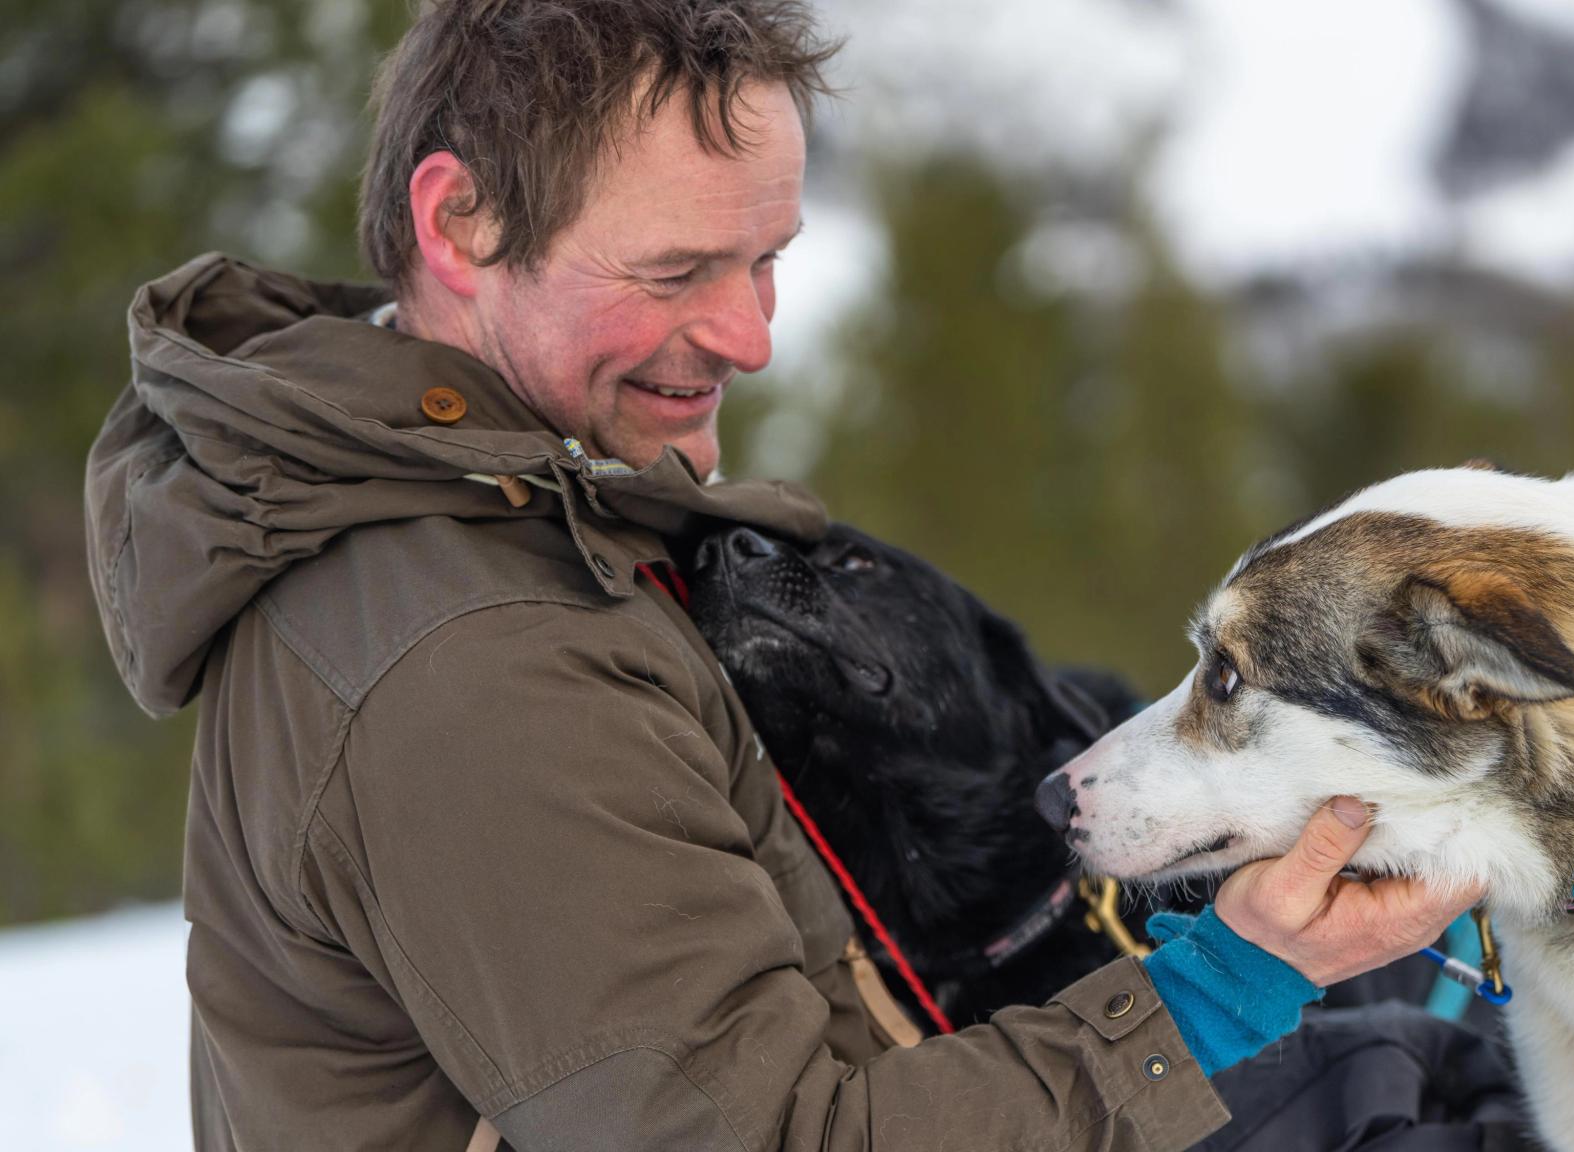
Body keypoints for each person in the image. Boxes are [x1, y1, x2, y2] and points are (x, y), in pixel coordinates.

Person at [83, 2, 1484, 1148]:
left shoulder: (515, 509)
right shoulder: (471, 667)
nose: (748, 336)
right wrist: (1227, 985)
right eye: (678, 267)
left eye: (766, 260)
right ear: (459, 226)